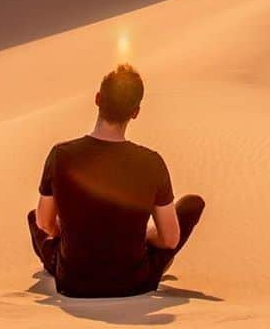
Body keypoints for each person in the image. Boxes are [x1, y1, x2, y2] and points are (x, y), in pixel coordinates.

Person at [27, 63, 205, 298]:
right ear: (135, 112)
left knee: (34, 217)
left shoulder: (61, 155)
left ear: (98, 99)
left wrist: (72, 230)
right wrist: (142, 235)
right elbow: (170, 239)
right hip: (135, 282)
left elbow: (44, 223)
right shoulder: (151, 162)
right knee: (193, 204)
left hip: (73, 282)